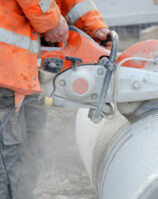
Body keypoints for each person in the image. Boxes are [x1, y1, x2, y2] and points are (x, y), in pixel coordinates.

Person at [0, 0, 110, 198]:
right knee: (9, 151)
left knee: (30, 143)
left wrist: (95, 27)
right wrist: (51, 22)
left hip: (21, 68)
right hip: (6, 68)